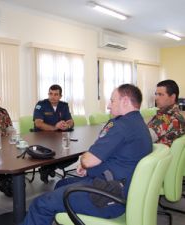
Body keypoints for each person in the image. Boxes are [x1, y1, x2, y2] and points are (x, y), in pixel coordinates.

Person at [21, 84, 152, 225]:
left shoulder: (120, 125)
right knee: (61, 184)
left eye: (112, 101)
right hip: (123, 188)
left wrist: (85, 160)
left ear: (125, 101)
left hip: (108, 197)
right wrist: (90, 165)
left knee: (40, 204)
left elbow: (88, 160)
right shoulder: (139, 123)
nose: (108, 105)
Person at [33, 84, 76, 183]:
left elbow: (70, 121)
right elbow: (38, 123)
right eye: (50, 94)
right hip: (42, 138)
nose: (52, 96)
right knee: (51, 152)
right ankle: (48, 167)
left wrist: (67, 125)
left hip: (58, 138)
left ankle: (49, 168)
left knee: (73, 155)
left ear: (60, 96)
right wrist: (55, 127)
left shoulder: (64, 105)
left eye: (56, 94)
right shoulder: (41, 104)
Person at [148, 79, 185, 146]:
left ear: (172, 97)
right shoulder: (164, 113)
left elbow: (143, 139)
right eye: (156, 94)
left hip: (154, 154)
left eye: (160, 94)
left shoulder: (169, 118)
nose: (156, 98)